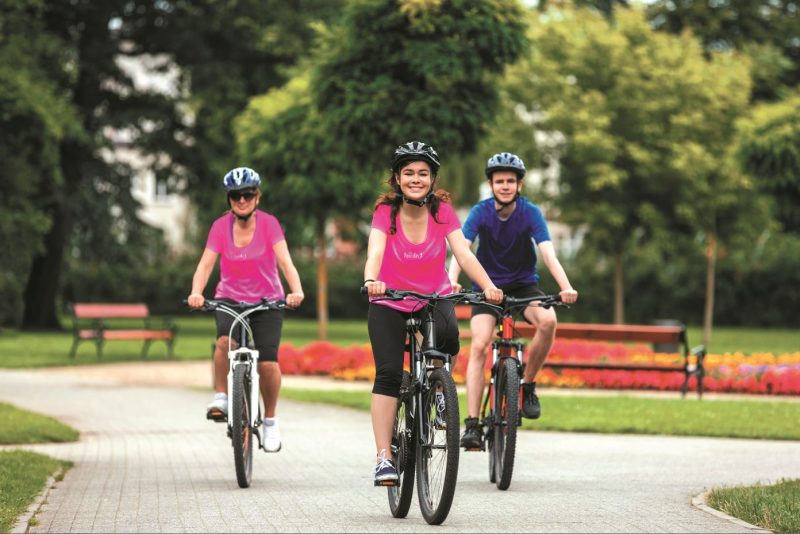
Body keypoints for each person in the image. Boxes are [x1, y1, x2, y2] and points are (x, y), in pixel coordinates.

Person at [363, 141, 503, 485]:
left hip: (433, 295)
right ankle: (384, 456)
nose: (416, 179)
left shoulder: (442, 211)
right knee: (390, 374)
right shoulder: (386, 212)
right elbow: (375, 250)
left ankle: (439, 393)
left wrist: (488, 286)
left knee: (448, 339)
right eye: (408, 173)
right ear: (397, 178)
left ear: (432, 178)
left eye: (422, 173)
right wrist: (371, 279)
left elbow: (464, 254)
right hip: (389, 299)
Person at [447, 152, 578, 450]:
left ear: (519, 185)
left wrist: (566, 286)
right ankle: (472, 424)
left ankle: (528, 386)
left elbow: (548, 253)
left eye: (510, 181)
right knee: (479, 344)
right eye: (499, 181)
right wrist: (452, 279)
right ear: (491, 184)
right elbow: (462, 250)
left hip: (523, 285)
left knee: (548, 321)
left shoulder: (531, 212)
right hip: (487, 286)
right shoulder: (480, 212)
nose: (504, 186)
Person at [187, 167, 304, 453]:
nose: (242, 200)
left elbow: (286, 262)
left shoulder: (269, 225)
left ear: (257, 197)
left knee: (267, 362)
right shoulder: (219, 227)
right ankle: (221, 397)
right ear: (229, 199)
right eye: (236, 196)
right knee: (224, 342)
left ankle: (271, 420)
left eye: (248, 194)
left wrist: (296, 290)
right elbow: (205, 265)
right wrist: (196, 292)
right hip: (229, 298)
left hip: (268, 301)